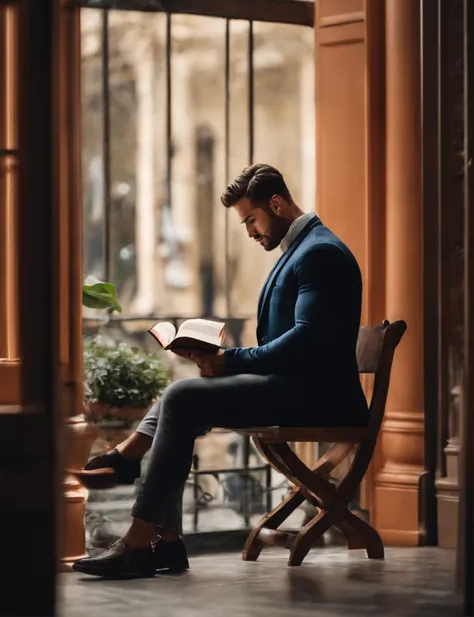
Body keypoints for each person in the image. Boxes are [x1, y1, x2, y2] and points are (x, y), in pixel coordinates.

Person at [72, 163, 369, 578]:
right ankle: (165, 534)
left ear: (277, 203)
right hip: (295, 387)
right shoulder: (304, 250)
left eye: (251, 219)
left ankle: (140, 538)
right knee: (183, 393)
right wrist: (223, 360)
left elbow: (308, 340)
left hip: (318, 398)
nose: (249, 231)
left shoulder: (320, 253)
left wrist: (232, 361)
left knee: (183, 397)